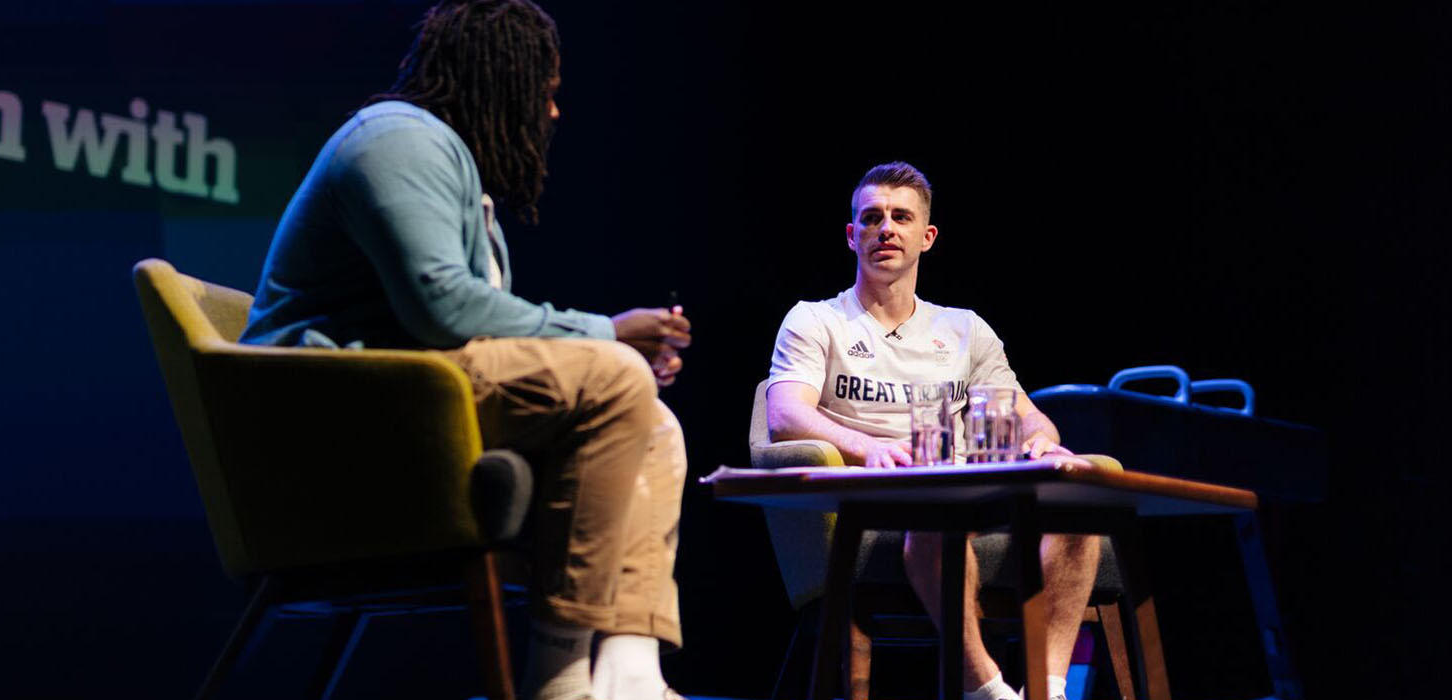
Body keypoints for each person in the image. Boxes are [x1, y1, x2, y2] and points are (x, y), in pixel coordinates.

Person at [239, 2, 690, 699]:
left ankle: (631, 672)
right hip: (329, 421)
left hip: (405, 390)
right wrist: (605, 333)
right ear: (498, 80)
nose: (555, 112)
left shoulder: (444, 160)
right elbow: (442, 307)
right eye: (546, 91)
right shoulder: (395, 139)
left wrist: (612, 358)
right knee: (616, 378)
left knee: (654, 423)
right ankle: (560, 678)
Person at [764, 162, 1100, 700]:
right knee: (935, 517)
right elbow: (784, 413)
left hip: (969, 487)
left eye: (901, 217)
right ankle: (986, 690)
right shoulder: (816, 320)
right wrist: (871, 448)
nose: (886, 229)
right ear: (853, 236)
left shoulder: (964, 328)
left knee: (1078, 506)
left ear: (928, 236)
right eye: (872, 218)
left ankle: (1050, 687)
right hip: (874, 500)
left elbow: (1022, 411)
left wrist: (1041, 438)